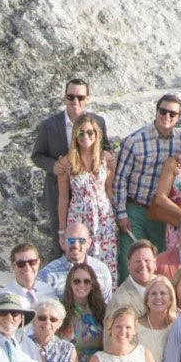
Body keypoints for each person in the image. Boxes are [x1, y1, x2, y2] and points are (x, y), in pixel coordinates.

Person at [31, 77, 111, 250]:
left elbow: (105, 148)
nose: (75, 101)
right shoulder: (49, 125)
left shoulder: (98, 122)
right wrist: (54, 166)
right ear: (64, 98)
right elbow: (37, 155)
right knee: (62, 247)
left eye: (80, 97)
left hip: (94, 202)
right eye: (71, 96)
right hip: (59, 193)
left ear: (87, 99)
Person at [114, 94, 181, 271]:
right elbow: (120, 178)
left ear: (178, 117)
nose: (167, 116)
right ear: (156, 111)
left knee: (159, 260)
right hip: (135, 207)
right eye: (163, 111)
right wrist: (121, 213)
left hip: (162, 213)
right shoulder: (134, 141)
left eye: (172, 114)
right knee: (130, 258)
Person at [53, 115, 117, 275]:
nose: (86, 137)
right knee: (79, 261)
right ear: (75, 135)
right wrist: (62, 230)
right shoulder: (67, 162)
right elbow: (63, 198)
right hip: (79, 216)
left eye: (90, 132)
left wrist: (116, 216)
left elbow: (109, 190)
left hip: (103, 218)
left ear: (97, 135)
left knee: (106, 262)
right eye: (81, 133)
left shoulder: (106, 158)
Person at [37, 228, 114, 305]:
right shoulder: (47, 275)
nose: (76, 245)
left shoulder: (102, 270)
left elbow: (107, 306)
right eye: (71, 240)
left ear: (89, 243)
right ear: (63, 242)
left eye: (81, 241)